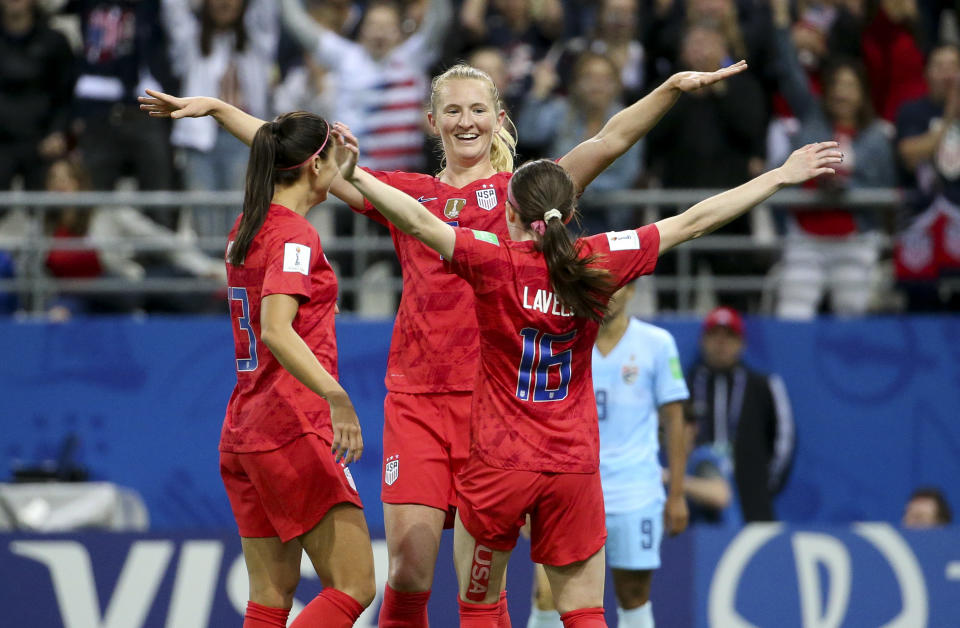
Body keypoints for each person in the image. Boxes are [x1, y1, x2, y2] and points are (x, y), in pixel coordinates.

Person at [140, 59, 749, 627]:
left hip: (497, 412)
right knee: (407, 568)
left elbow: (609, 140)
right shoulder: (410, 196)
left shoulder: (524, 196)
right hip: (418, 402)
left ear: (499, 118)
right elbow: (305, 160)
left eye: (478, 109)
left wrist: (669, 89)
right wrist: (220, 112)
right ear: (432, 122)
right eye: (452, 111)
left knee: (484, 585)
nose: (466, 121)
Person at [334, 121, 842, 627]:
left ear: (507, 213)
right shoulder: (599, 259)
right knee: (585, 614)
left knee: (481, 606)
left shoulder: (492, 261)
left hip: (499, 466)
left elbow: (419, 223)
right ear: (570, 212)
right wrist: (779, 176)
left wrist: (358, 177)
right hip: (572, 469)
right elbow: (693, 221)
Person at [218, 111, 375, 628]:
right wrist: (337, 396)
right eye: (332, 160)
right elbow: (277, 329)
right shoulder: (293, 235)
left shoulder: (249, 224)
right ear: (313, 166)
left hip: (244, 429)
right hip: (292, 426)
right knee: (353, 586)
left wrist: (220, 110)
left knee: (270, 594)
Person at [524, 281, 691, 628]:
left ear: (631, 290)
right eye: (600, 286)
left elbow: (675, 421)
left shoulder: (657, 344)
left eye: (617, 286)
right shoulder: (563, 338)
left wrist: (676, 495)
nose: (609, 294)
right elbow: (538, 415)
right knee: (547, 594)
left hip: (634, 491)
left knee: (632, 595)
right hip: (570, 490)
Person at [770, 0, 896, 319]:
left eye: (850, 86)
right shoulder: (813, 119)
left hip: (855, 239)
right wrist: (782, 23)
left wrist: (847, 187)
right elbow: (788, 71)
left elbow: (886, 190)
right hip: (806, 236)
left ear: (862, 93)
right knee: (792, 315)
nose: (842, 93)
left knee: (850, 321)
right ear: (827, 91)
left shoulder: (876, 138)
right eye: (837, 85)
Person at [279, 0, 452, 173]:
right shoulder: (345, 57)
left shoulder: (413, 58)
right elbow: (298, 24)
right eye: (373, 25)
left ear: (399, 31)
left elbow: (440, 19)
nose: (379, 33)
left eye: (387, 27)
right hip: (358, 175)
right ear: (362, 29)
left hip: (407, 176)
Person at [159, 0, 278, 237]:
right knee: (203, 218)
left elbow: (268, 7)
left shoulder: (258, 40)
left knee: (242, 216)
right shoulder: (190, 41)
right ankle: (210, 273)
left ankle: (237, 273)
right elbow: (173, 8)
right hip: (199, 142)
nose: (225, 3)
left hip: (245, 139)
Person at [686, 306, 795, 523]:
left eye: (729, 336)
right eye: (714, 335)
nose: (721, 343)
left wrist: (762, 485)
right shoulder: (684, 386)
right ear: (702, 341)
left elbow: (785, 441)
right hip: (697, 500)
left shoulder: (764, 386)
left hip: (752, 502)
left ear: (741, 343)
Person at [894, 44, 960, 311]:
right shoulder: (912, 112)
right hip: (922, 228)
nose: (947, 74)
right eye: (939, 66)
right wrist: (949, 117)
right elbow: (910, 155)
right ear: (927, 73)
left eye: (953, 66)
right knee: (922, 306)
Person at [0, 0, 75, 191]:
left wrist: (57, 132)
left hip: (42, 141)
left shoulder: (54, 42)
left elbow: (66, 93)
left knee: (58, 187)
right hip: (2, 142)